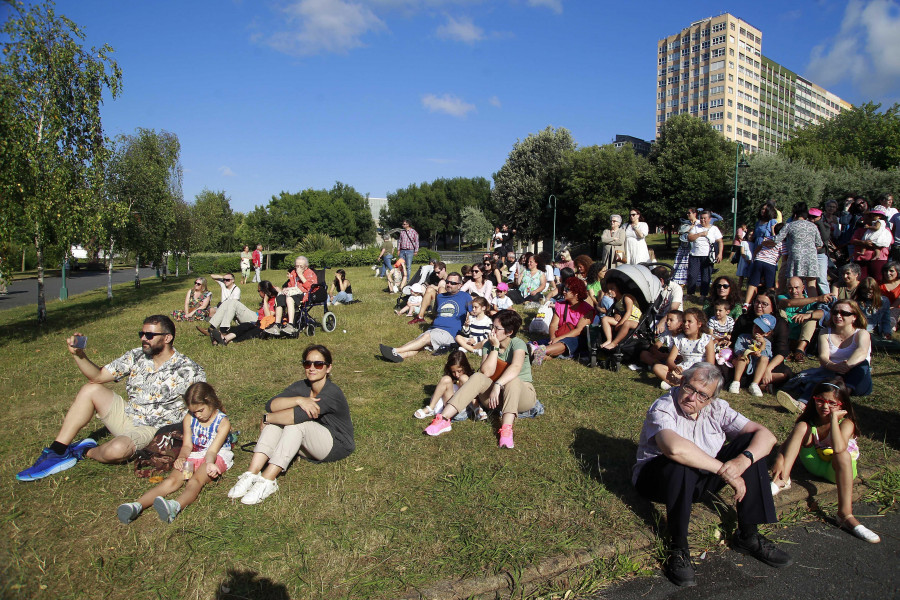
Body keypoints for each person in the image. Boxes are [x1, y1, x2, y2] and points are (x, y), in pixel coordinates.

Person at [633, 362, 792, 587]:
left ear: (710, 399)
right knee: (681, 462)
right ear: (681, 382)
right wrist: (724, 471)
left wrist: (741, 461)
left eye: (702, 395)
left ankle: (748, 535)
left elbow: (767, 436)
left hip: (699, 479)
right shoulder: (664, 406)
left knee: (750, 446)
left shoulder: (717, 408)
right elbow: (674, 449)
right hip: (657, 479)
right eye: (689, 388)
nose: (692, 398)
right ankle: (678, 548)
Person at [16, 315, 206, 481]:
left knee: (117, 450)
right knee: (91, 389)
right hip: (128, 415)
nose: (143, 339)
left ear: (167, 338)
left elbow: (202, 408)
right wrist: (79, 355)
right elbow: (98, 377)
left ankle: (82, 451)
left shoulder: (189, 369)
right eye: (141, 334)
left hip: (154, 429)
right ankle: (57, 450)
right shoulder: (136, 356)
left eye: (149, 335)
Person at [227, 345, 354, 505]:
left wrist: (268, 418)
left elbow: (299, 416)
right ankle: (251, 473)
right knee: (276, 423)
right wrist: (298, 400)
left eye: (318, 364)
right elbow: (271, 404)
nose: (312, 368)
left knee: (295, 424)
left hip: (336, 444)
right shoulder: (302, 386)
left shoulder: (331, 392)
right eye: (307, 364)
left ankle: (268, 480)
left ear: (328, 368)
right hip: (311, 441)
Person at [770, 377, 880, 543]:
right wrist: (779, 459)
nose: (825, 406)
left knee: (842, 454)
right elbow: (786, 445)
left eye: (832, 403)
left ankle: (845, 515)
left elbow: (838, 448)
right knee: (801, 427)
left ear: (842, 405)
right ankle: (783, 479)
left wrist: (834, 420)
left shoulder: (846, 423)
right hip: (815, 464)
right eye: (820, 400)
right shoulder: (811, 421)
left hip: (837, 471)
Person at [116, 382, 232, 524]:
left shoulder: (222, 422)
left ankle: (175, 506)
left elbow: (213, 450)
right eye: (194, 411)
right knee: (172, 480)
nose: (197, 415)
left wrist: (209, 464)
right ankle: (136, 505)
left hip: (214, 456)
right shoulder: (190, 418)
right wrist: (182, 457)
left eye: (200, 410)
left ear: (211, 401)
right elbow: (187, 445)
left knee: (195, 481)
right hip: (194, 454)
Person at [423, 310, 538, 449]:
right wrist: (494, 348)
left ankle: (506, 430)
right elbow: (486, 372)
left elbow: (516, 367)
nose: (492, 331)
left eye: (497, 328)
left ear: (509, 332)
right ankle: (444, 419)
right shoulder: (489, 345)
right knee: (477, 376)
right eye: (492, 326)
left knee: (512, 380)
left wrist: (498, 384)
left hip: (521, 396)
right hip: (496, 398)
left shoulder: (518, 343)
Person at [776, 300, 872, 414]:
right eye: (835, 312)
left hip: (857, 379)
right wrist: (835, 368)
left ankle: (842, 394)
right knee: (821, 382)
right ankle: (801, 404)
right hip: (831, 372)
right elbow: (823, 358)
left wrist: (841, 372)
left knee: (862, 364)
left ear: (854, 317)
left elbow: (861, 352)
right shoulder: (825, 333)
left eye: (844, 313)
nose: (838, 316)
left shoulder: (861, 333)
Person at [380, 273, 472, 362]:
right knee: (418, 343)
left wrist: (468, 324)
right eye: (447, 282)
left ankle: (395, 350)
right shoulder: (440, 297)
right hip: (434, 329)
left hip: (450, 334)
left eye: (452, 283)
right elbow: (437, 313)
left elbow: (474, 313)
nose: (448, 284)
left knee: (426, 337)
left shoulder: (466, 297)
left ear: (460, 285)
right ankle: (400, 356)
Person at [730, 290, 793, 393]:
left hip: (767, 361)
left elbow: (782, 351)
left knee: (785, 374)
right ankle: (760, 385)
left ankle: (753, 382)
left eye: (764, 304)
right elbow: (734, 342)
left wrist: (768, 369)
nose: (759, 306)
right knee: (730, 366)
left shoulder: (779, 323)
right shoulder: (744, 319)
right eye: (757, 302)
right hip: (745, 360)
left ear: (773, 307)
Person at [530, 277, 594, 366]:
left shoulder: (587, 310)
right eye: (564, 289)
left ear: (576, 293)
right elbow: (553, 325)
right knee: (554, 348)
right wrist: (553, 338)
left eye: (567, 290)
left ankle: (538, 350)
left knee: (565, 343)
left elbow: (578, 330)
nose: (564, 291)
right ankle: (537, 353)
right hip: (559, 336)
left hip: (577, 339)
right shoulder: (560, 305)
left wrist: (558, 339)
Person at [652, 307, 715, 389]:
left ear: (699, 324)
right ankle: (683, 385)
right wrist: (675, 367)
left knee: (702, 375)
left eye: (689, 322)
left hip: (699, 371)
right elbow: (670, 360)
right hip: (683, 369)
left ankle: (679, 384)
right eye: (684, 321)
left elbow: (710, 364)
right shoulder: (680, 339)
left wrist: (699, 372)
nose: (685, 324)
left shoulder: (706, 339)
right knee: (657, 368)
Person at [770, 202, 822, 297]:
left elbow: (777, 239)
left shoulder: (790, 225)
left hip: (796, 256)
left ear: (794, 214)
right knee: (811, 285)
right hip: (811, 257)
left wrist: (766, 240)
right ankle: (813, 305)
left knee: (794, 284)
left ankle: (794, 305)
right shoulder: (813, 226)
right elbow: (819, 244)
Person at [777, 276, 831, 362]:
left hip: (802, 337)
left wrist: (808, 316)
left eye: (796, 288)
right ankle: (784, 348)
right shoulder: (782, 298)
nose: (794, 291)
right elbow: (789, 303)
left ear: (803, 288)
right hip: (786, 336)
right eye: (790, 288)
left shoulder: (810, 301)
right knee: (781, 313)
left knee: (812, 315)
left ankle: (800, 350)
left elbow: (824, 314)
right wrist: (817, 298)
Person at [414, 351, 477, 420]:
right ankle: (430, 408)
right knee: (446, 379)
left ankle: (476, 408)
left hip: (462, 409)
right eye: (453, 372)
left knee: (463, 378)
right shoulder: (450, 379)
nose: (456, 375)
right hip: (448, 407)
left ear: (465, 367)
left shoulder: (470, 377)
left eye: (459, 371)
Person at [214, 281, 279, 345]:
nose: (259, 293)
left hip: (265, 325)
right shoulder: (268, 298)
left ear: (264, 291)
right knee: (245, 326)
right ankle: (225, 338)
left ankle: (225, 339)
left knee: (253, 331)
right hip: (258, 321)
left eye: (259, 291)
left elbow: (268, 317)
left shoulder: (273, 300)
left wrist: (265, 300)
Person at [266, 256, 317, 337]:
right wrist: (286, 289)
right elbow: (290, 285)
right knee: (280, 297)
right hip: (292, 292)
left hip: (304, 294)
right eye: (297, 266)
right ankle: (277, 324)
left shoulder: (310, 273)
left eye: (301, 266)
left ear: (306, 267)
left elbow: (310, 287)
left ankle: (291, 325)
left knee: (289, 299)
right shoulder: (293, 273)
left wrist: (301, 275)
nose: (298, 268)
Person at [729, 314, 777, 397]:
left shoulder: (767, 343)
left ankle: (755, 384)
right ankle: (736, 381)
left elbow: (767, 355)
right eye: (756, 327)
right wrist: (750, 352)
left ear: (767, 333)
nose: (757, 331)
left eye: (761, 330)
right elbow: (738, 350)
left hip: (757, 367)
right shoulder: (743, 337)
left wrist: (762, 345)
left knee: (764, 359)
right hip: (744, 364)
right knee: (742, 356)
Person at [686, 210, 723, 297]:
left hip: (708, 256)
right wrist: (700, 234)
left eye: (705, 218)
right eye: (701, 218)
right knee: (692, 275)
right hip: (695, 255)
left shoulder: (714, 229)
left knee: (706, 276)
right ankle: (690, 293)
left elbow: (720, 242)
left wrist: (720, 253)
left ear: (709, 219)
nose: (703, 220)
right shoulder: (696, 227)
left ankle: (704, 295)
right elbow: (689, 238)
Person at [599, 279, 641, 350]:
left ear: (619, 288)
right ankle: (609, 339)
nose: (609, 291)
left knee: (626, 323)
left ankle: (614, 343)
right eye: (608, 289)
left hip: (634, 320)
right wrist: (616, 314)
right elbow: (616, 310)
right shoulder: (616, 300)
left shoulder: (627, 297)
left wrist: (620, 323)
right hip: (623, 319)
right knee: (605, 319)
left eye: (612, 289)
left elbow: (629, 312)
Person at [672, 208, 698, 286]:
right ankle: (681, 282)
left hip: (694, 247)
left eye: (689, 213)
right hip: (684, 247)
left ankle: (694, 282)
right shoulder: (685, 223)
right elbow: (681, 230)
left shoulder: (699, 223)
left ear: (694, 214)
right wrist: (690, 228)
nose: (687, 215)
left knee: (692, 266)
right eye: (687, 213)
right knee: (681, 265)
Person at [880, 261, 900, 331]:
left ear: (897, 272)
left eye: (891, 271)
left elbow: (897, 303)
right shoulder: (878, 284)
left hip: (896, 309)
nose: (888, 273)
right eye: (886, 271)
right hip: (881, 308)